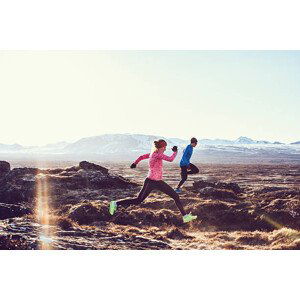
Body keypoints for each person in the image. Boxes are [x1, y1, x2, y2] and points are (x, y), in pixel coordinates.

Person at [109, 139, 197, 223]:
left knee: (138, 200)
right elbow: (170, 159)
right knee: (175, 196)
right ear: (161, 147)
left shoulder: (152, 154)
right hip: (155, 182)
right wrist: (175, 152)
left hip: (150, 181)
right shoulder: (158, 154)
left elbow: (141, 157)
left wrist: (135, 163)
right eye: (165, 147)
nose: (165, 149)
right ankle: (185, 217)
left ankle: (116, 203)